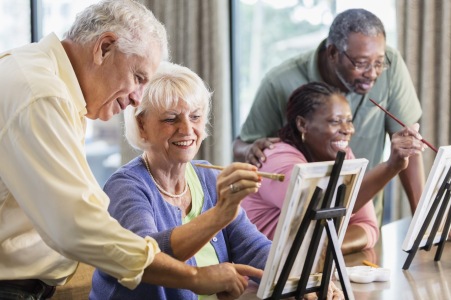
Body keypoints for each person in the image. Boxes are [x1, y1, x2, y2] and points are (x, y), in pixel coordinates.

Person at [0, 1, 260, 299]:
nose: (137, 98)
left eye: (196, 116)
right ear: (104, 48)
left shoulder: (46, 82)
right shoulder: (42, 94)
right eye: (138, 78)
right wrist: (194, 277)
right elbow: (79, 227)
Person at [90, 63, 344, 300]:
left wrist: (305, 280)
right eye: (171, 119)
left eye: (196, 116)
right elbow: (146, 261)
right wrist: (221, 214)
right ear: (141, 125)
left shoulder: (208, 177)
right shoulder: (126, 187)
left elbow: (254, 248)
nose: (187, 129)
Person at [233, 9, 451, 243]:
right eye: (361, 63)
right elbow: (243, 145)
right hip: (293, 225)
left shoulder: (390, 63)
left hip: (359, 209)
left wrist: (424, 217)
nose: (373, 73)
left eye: (378, 63)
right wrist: (250, 149)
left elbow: (408, 143)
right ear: (333, 53)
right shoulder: (279, 82)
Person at [242, 82, 427, 254]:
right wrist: (390, 166)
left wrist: (321, 249)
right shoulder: (275, 159)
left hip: (303, 275)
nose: (347, 129)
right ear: (302, 124)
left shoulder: (342, 154)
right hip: (253, 280)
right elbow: (322, 208)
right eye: (335, 121)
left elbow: (367, 227)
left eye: (349, 120)